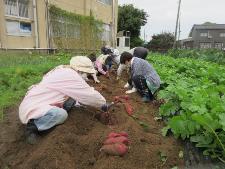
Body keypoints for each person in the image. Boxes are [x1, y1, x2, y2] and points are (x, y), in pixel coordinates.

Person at [19, 64, 110, 144]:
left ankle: (46, 121)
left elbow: (78, 95)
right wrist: (103, 104)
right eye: (84, 72)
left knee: (72, 101)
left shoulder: (64, 70)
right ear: (79, 70)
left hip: (46, 99)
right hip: (36, 103)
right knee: (62, 114)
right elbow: (88, 94)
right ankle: (32, 128)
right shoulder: (70, 75)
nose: (85, 74)